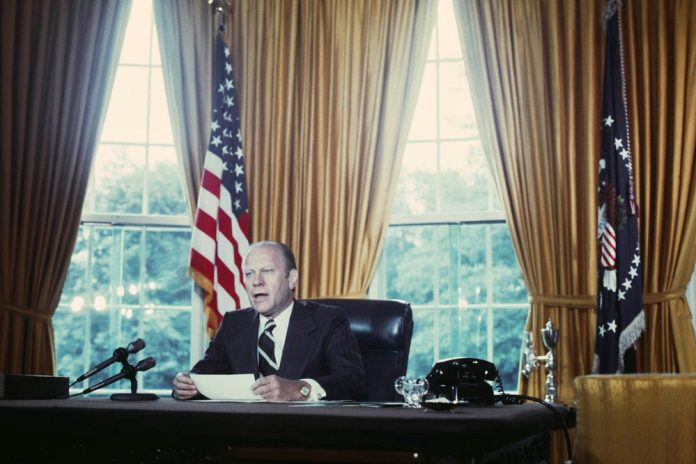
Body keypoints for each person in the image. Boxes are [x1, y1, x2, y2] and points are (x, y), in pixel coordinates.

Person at [172, 240, 365, 401]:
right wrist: (187, 384)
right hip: (244, 429)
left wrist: (299, 389)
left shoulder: (328, 319)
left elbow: (352, 380)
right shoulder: (233, 323)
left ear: (292, 279)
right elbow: (205, 374)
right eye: (249, 274)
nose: (257, 281)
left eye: (267, 271)